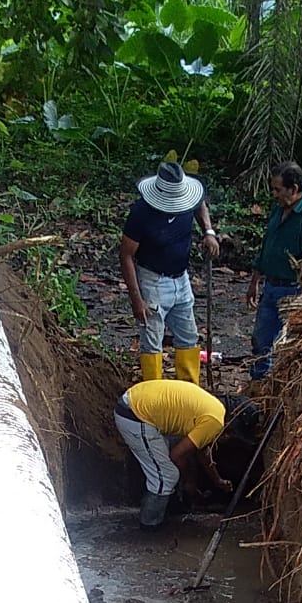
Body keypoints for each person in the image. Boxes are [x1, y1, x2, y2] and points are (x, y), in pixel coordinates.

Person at [120, 161, 220, 386]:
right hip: (152, 280)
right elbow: (126, 255)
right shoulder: (141, 213)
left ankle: (189, 389)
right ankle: (154, 392)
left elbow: (199, 204)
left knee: (189, 336)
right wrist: (137, 299)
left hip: (181, 278)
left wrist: (208, 231)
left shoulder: (188, 199)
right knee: (152, 340)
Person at [114, 379, 258, 529]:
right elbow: (177, 455)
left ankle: (172, 507)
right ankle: (149, 525)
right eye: (234, 431)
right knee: (166, 476)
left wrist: (217, 480)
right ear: (233, 421)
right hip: (135, 415)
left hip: (137, 401)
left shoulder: (213, 406)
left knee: (172, 458)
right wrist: (189, 482)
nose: (230, 435)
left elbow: (202, 450)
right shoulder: (215, 422)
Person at [247, 161, 302, 380]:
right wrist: (255, 280)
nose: (274, 194)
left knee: (288, 345)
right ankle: (258, 384)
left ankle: (280, 386)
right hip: (271, 286)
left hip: (294, 291)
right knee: (261, 341)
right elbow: (267, 247)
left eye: (278, 189)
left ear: (293, 189)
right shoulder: (278, 210)